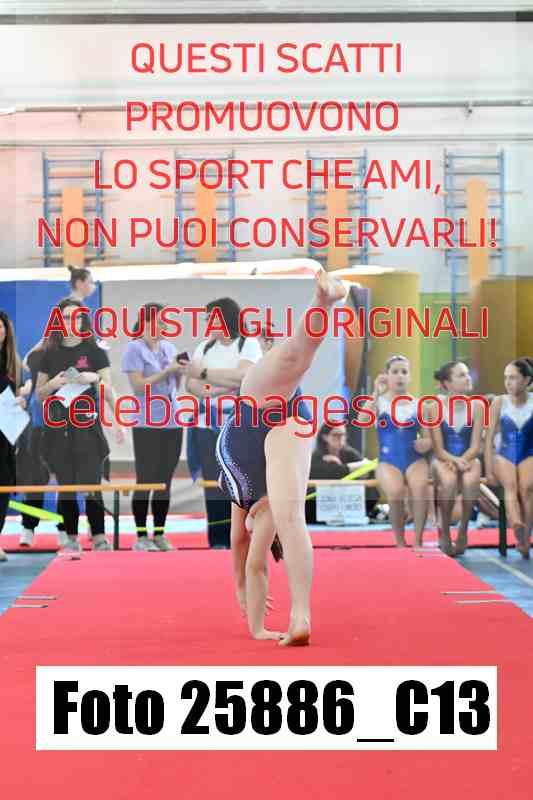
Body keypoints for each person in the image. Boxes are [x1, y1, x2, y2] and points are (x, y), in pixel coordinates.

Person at [216, 268, 348, 646]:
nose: (254, 531)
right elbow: (251, 557)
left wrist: (243, 595)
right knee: (294, 359)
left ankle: (322, 301)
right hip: (283, 422)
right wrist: (250, 609)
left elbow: (245, 554)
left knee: (293, 358)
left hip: (253, 413)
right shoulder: (268, 510)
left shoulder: (243, 500)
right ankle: (300, 615)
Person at [36, 298, 124, 553]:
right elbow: (40, 394)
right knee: (66, 486)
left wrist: (93, 378)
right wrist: (53, 384)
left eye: (77, 317)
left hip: (87, 428)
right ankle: (71, 536)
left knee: (92, 484)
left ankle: (99, 536)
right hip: (58, 429)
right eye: (66, 317)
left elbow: (108, 389)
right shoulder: (49, 353)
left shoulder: (94, 351)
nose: (71, 322)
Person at [184, 297, 262, 548]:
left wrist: (207, 377)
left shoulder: (247, 343)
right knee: (212, 482)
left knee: (238, 479)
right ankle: (217, 537)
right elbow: (191, 384)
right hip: (207, 423)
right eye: (206, 319)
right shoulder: (204, 347)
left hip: (238, 423)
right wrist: (218, 388)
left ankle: (241, 535)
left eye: (211, 318)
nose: (208, 324)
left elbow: (244, 377)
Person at [122, 303, 187, 551]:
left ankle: (159, 533)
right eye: (159, 321)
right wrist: (168, 370)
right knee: (146, 478)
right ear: (147, 322)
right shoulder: (134, 348)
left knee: (164, 480)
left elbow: (175, 386)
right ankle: (141, 535)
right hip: (147, 422)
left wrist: (179, 371)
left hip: (172, 421)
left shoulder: (169, 347)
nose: (163, 325)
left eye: (164, 321)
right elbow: (138, 386)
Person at [360, 356, 432, 548]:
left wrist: (426, 443)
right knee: (396, 492)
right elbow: (362, 419)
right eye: (395, 372)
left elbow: (428, 438)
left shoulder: (420, 405)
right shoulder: (379, 403)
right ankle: (400, 541)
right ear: (386, 376)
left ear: (410, 377)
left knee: (420, 489)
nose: (400, 376)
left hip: (414, 458)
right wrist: (376, 391)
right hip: (388, 460)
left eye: (404, 372)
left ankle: (418, 539)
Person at [430, 361, 484, 555]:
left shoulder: (477, 406)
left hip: (469, 458)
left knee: (470, 481)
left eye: (467, 373)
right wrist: (454, 461)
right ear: (447, 383)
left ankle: (463, 530)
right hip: (443, 459)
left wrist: (462, 460)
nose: (468, 378)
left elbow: (476, 445)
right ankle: (444, 532)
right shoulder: (435, 408)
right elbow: (438, 449)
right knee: (449, 481)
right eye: (461, 375)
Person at [484, 357, 533, 558]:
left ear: (526, 380)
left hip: (528, 453)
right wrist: (488, 470)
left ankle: (525, 538)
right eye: (506, 378)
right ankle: (517, 525)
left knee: (527, 488)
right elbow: (488, 439)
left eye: (513, 378)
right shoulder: (499, 402)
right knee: (511, 485)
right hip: (504, 454)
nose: (508, 382)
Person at [307, 421, 379, 522]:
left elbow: (367, 470)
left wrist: (342, 467)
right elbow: (334, 473)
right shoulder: (316, 456)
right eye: (336, 435)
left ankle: (365, 513)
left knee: (371, 483)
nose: (341, 438)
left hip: (347, 499)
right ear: (325, 437)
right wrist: (345, 468)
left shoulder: (349, 453)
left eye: (343, 434)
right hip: (322, 502)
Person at [0, 310, 27, 562]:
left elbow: (16, 394)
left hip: (6, 433)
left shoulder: (12, 361)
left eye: (1, 327)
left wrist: (21, 401)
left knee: (4, 485)